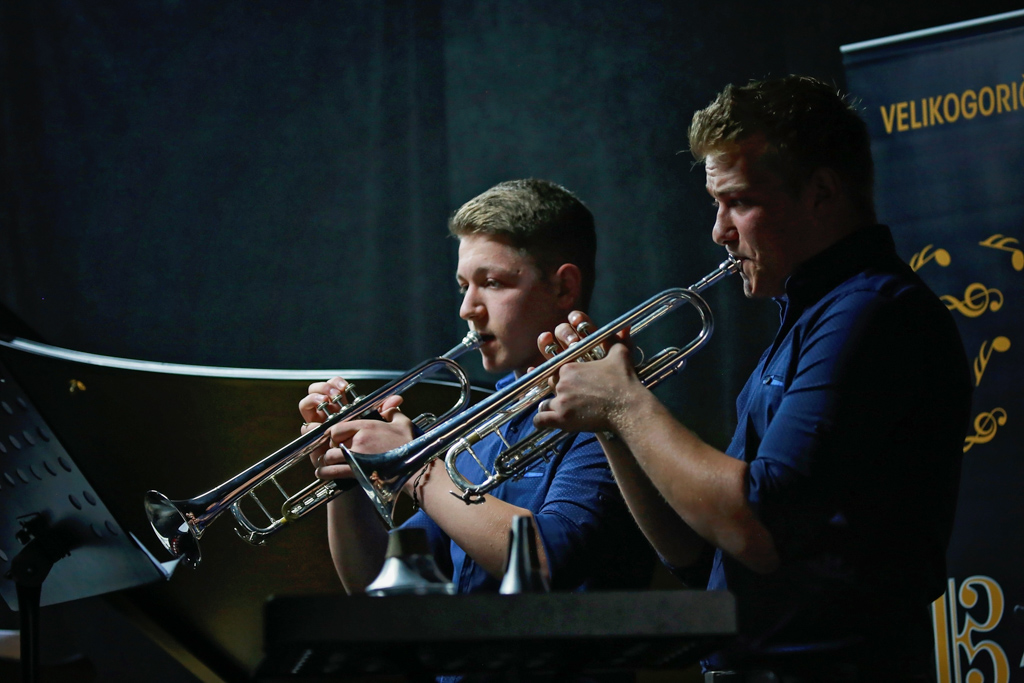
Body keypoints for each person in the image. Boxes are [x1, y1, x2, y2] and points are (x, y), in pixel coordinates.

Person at [534, 76, 972, 681]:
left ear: (821, 193)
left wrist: (627, 403)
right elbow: (697, 553)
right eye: (717, 204)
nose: (719, 231)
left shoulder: (871, 312)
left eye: (738, 201)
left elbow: (756, 530)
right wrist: (610, 425)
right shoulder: (813, 317)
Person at [299, 178, 653, 601]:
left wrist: (413, 467)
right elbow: (380, 586)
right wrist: (348, 476)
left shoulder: (610, 416)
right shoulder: (483, 427)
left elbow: (544, 562)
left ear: (563, 287)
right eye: (464, 286)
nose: (468, 308)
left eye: (493, 282)